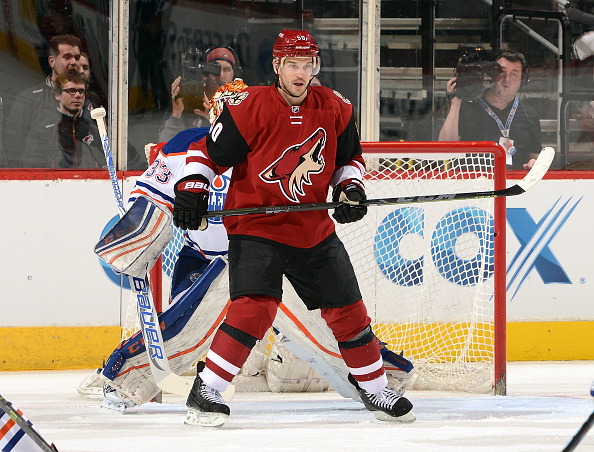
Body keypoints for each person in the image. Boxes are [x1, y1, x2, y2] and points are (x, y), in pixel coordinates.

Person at [173, 29, 416, 427]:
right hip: (256, 226)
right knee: (255, 308)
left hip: (311, 229)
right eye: (293, 65)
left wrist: (350, 189)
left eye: (307, 65)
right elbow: (206, 152)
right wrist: (192, 189)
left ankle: (374, 387)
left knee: (348, 310)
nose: (301, 74)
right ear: (277, 66)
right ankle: (208, 389)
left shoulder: (335, 106)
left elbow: (349, 159)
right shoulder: (249, 106)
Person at [438, 49, 542, 170]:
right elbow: (444, 150)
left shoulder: (529, 114)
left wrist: (534, 163)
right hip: (472, 182)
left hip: (513, 184)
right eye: (502, 72)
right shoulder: (468, 106)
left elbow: (535, 155)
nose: (507, 79)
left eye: (514, 74)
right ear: (492, 75)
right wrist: (455, 103)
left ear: (522, 80)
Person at [4, 34, 82, 167]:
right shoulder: (29, 99)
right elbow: (13, 146)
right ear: (52, 62)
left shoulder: (89, 99)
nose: (74, 62)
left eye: (77, 57)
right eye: (67, 57)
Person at [20, 69, 104, 168]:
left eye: (81, 91)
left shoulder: (94, 128)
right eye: (71, 91)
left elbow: (107, 163)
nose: (77, 95)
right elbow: (30, 167)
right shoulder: (42, 129)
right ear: (58, 95)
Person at [158, 46, 239, 142]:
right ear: (205, 75)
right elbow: (163, 145)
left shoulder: (239, 104)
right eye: (215, 69)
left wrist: (214, 121)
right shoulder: (185, 100)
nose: (221, 75)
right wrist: (176, 116)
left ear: (234, 74)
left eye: (226, 69)